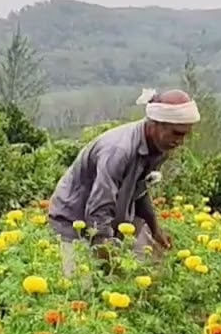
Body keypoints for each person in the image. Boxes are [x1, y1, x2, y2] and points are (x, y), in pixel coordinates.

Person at [47, 88, 197, 276]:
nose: (180, 141)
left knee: (151, 271)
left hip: (116, 218)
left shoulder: (159, 147)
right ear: (155, 124)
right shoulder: (119, 151)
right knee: (82, 290)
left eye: (185, 134)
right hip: (74, 220)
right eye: (176, 133)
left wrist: (155, 229)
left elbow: (140, 189)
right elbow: (99, 207)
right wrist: (107, 251)